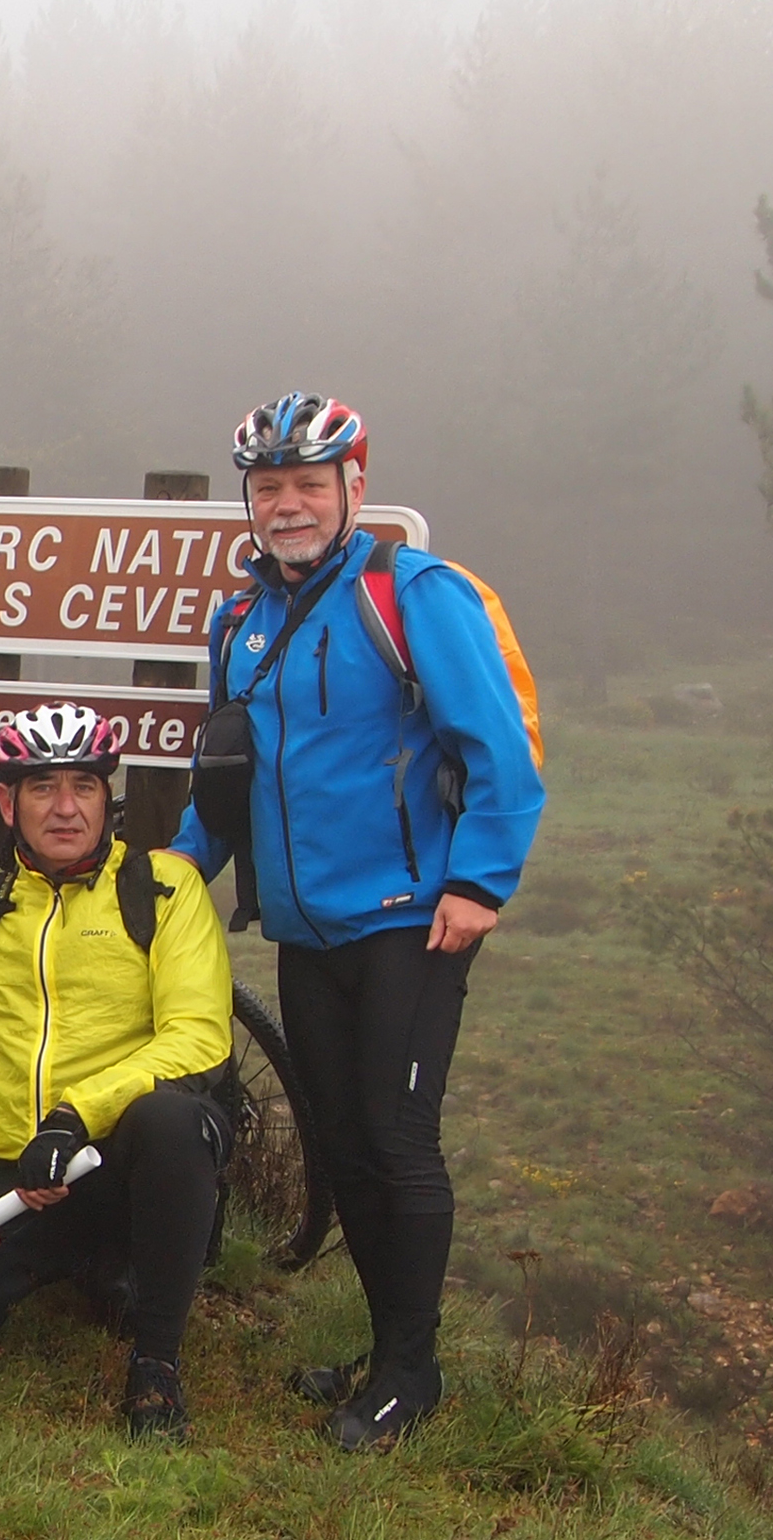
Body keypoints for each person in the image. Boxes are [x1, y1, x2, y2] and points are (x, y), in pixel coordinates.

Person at [174, 392, 541, 1451]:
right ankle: (386, 1355)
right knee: (342, 1145)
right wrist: (174, 870)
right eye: (267, 488)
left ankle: (410, 1379)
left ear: (353, 489)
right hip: (302, 926)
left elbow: (498, 754)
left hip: (408, 924)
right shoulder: (239, 622)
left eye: (307, 485)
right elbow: (227, 779)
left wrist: (480, 884)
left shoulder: (408, 593)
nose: (285, 505)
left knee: (397, 1142)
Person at [0, 706, 233, 1431]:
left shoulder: (161, 890)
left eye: (84, 786)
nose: (65, 807)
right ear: (8, 802)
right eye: (42, 788)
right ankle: (71, 1270)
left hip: (111, 1162)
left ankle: (155, 1361)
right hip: (17, 1183)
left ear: (107, 796)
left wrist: (75, 1114)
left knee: (172, 1119)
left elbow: (198, 1037)